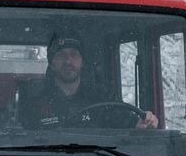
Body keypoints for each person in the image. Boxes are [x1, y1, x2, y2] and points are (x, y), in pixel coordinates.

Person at [15, 35, 156, 130]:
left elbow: (128, 122)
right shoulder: (35, 102)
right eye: (61, 55)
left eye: (74, 54)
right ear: (51, 64)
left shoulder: (102, 98)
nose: (68, 61)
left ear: (82, 62)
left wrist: (146, 122)